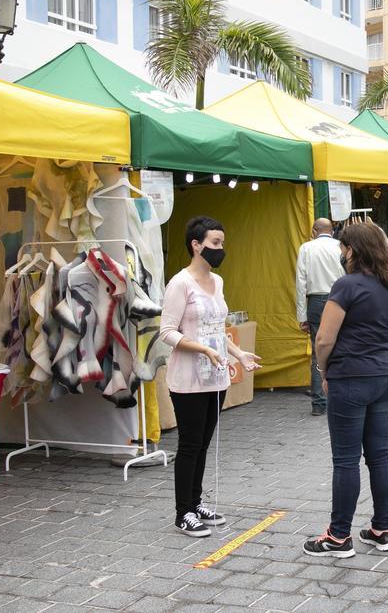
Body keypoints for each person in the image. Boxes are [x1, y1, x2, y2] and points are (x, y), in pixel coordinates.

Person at [303, 222, 388, 558]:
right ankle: (381, 529)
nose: (341, 253)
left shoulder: (345, 286)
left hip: (351, 377)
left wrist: (323, 369)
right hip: (385, 376)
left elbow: (324, 338)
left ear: (353, 251)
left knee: (346, 460)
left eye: (343, 248)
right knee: (380, 454)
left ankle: (338, 536)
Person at [159, 216, 262, 538]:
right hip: (188, 377)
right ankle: (183, 513)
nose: (220, 249)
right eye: (215, 243)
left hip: (214, 377)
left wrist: (237, 353)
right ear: (196, 245)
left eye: (221, 243)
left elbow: (217, 329)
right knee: (189, 444)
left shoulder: (217, 282)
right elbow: (166, 332)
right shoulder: (180, 283)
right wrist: (202, 350)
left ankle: (196, 500)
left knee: (203, 443)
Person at [296, 218, 345, 416]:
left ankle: (318, 402)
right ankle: (340, 397)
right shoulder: (340, 247)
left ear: (315, 230)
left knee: (319, 352)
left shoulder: (306, 248)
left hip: (316, 302)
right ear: (332, 230)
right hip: (340, 299)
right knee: (342, 347)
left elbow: (301, 283)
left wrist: (302, 315)